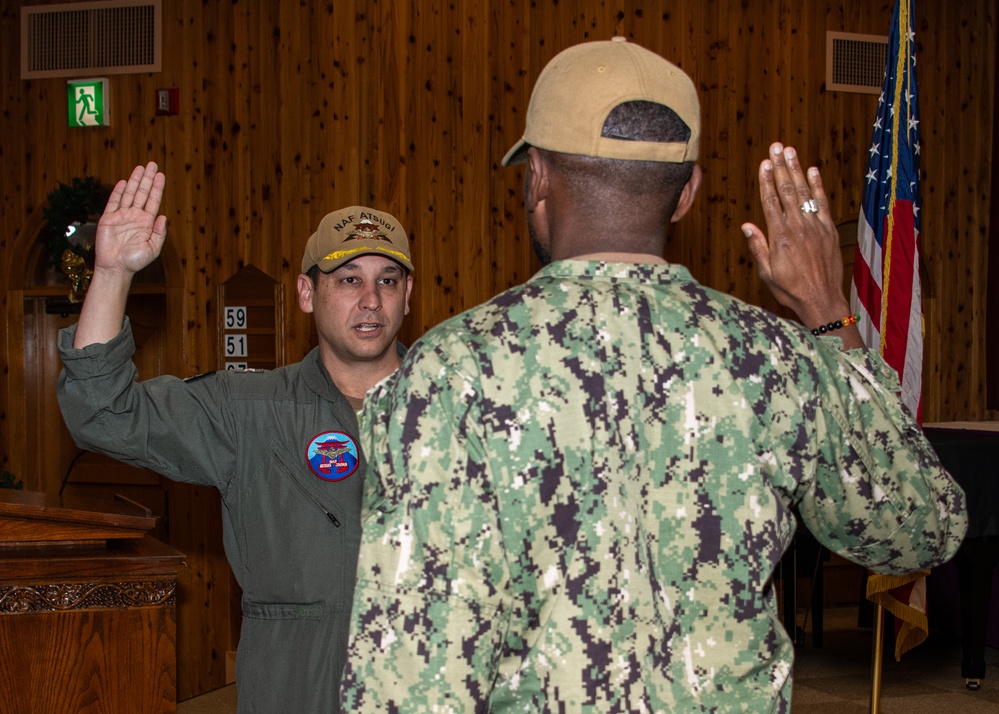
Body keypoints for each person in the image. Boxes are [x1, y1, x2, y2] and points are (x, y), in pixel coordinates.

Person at [339, 38, 967, 712]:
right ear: (686, 193)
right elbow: (919, 528)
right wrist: (828, 313)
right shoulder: (775, 358)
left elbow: (408, 677)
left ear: (539, 177)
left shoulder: (448, 371)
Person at [56, 162, 413, 713]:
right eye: (348, 279)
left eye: (386, 280)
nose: (370, 299)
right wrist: (111, 275)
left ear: (407, 295)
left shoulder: (458, 412)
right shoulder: (247, 412)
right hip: (291, 694)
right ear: (306, 293)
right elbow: (103, 412)